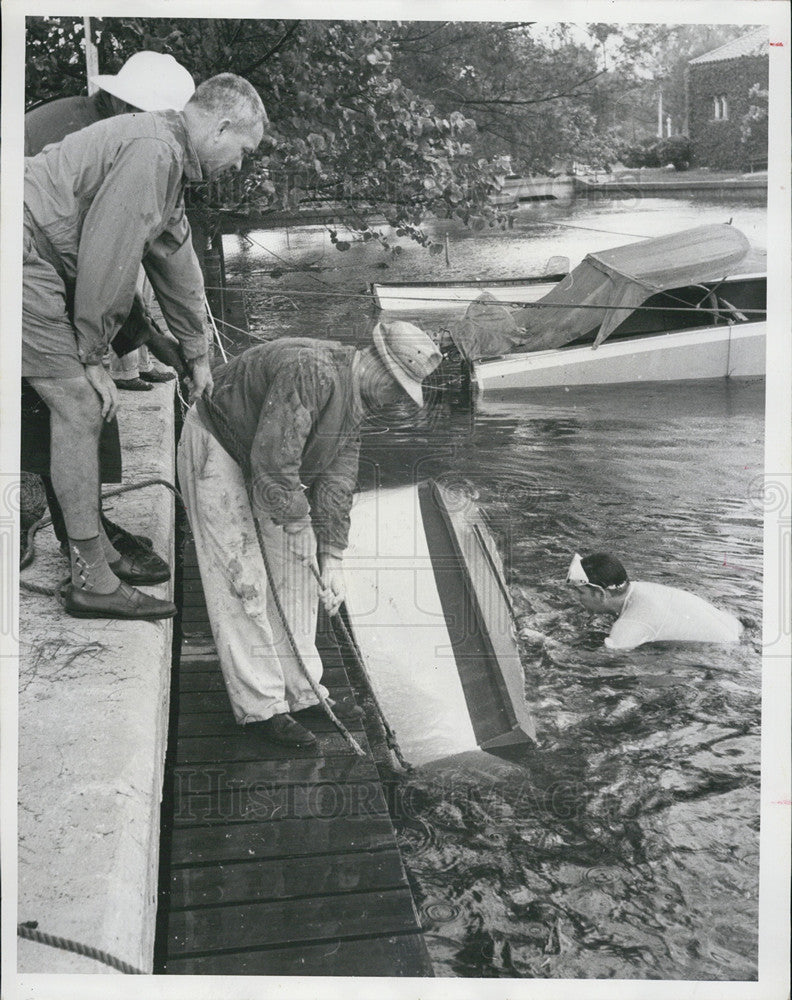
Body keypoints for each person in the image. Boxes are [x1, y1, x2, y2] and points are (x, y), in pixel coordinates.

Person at [23, 72, 267, 619]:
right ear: (222, 126)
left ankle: (97, 551)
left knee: (79, 403)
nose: (240, 165)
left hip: (31, 246)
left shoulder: (169, 157)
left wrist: (197, 353)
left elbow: (174, 259)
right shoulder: (154, 151)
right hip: (17, 243)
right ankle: (93, 578)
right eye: (243, 151)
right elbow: (110, 253)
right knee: (79, 405)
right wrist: (91, 356)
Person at [176, 321, 442, 747]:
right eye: (397, 386)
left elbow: (338, 479)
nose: (397, 400)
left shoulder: (358, 403)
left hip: (264, 460)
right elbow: (273, 463)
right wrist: (299, 525)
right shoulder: (313, 371)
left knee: (301, 576)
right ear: (377, 364)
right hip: (220, 444)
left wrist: (332, 554)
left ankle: (303, 691)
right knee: (241, 577)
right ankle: (261, 707)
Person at [23, 51, 197, 581]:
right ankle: (79, 543)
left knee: (76, 402)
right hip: (27, 262)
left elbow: (154, 251)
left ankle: (87, 532)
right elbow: (99, 264)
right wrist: (97, 352)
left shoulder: (116, 131)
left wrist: (183, 344)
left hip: (41, 262)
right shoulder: (129, 139)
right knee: (68, 401)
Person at [565, 552, 742, 651]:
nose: (576, 598)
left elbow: (602, 660)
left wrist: (545, 643)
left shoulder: (629, 624)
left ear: (600, 594)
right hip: (736, 629)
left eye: (580, 592)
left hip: (723, 653)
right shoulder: (640, 588)